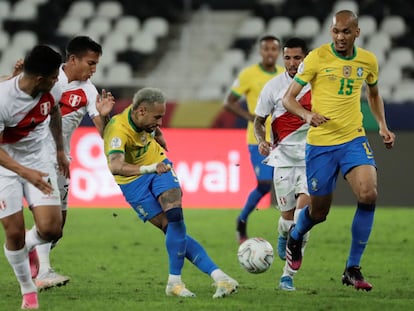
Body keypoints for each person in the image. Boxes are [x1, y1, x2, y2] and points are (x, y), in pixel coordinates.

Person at [282, 10, 396, 291]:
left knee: (369, 193)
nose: (340, 37)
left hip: (353, 139)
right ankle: (296, 235)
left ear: (357, 32)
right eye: (335, 31)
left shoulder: (367, 60)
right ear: (330, 32)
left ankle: (352, 268)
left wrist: (382, 125)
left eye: (346, 32)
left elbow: (373, 94)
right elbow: (288, 99)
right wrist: (308, 117)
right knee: (319, 213)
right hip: (321, 144)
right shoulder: (316, 58)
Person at [103, 87, 238, 298]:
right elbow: (115, 166)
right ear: (141, 111)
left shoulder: (143, 114)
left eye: (162, 117)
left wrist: (159, 135)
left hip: (159, 166)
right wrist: (148, 168)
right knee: (169, 227)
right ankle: (217, 277)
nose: (160, 122)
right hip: (132, 181)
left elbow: (153, 127)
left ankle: (179, 281)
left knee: (175, 216)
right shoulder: (118, 130)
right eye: (157, 117)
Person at [32, 36, 115, 291]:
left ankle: (22, 248)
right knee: (47, 225)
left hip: (62, 159)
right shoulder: (47, 78)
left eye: (96, 64)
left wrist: (104, 116)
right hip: (37, 156)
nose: (93, 69)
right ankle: (43, 271)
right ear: (72, 59)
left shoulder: (89, 90)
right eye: (90, 63)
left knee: (57, 229)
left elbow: (104, 132)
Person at [0, 45, 69, 309]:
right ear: (40, 78)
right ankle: (28, 291)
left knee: (52, 229)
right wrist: (23, 171)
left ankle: (28, 246)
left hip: (39, 160)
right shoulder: (3, 99)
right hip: (5, 166)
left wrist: (60, 150)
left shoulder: (50, 90)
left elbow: (53, 112)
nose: (57, 80)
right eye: (53, 76)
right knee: (14, 231)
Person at [254, 37, 311, 291]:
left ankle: (287, 276)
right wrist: (261, 139)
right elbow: (259, 120)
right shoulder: (273, 87)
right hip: (284, 160)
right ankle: (282, 232)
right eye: (287, 58)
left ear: (306, 58)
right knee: (288, 219)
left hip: (313, 159)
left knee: (303, 218)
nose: (291, 63)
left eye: (297, 58)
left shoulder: (317, 85)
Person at [224, 35, 285, 244]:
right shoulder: (248, 74)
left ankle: (289, 232)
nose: (270, 52)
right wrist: (251, 117)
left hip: (282, 139)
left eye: (274, 49)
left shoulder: (284, 75)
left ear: (279, 52)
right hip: (257, 139)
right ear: (260, 51)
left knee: (289, 185)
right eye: (266, 49)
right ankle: (241, 221)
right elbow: (229, 102)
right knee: (264, 184)